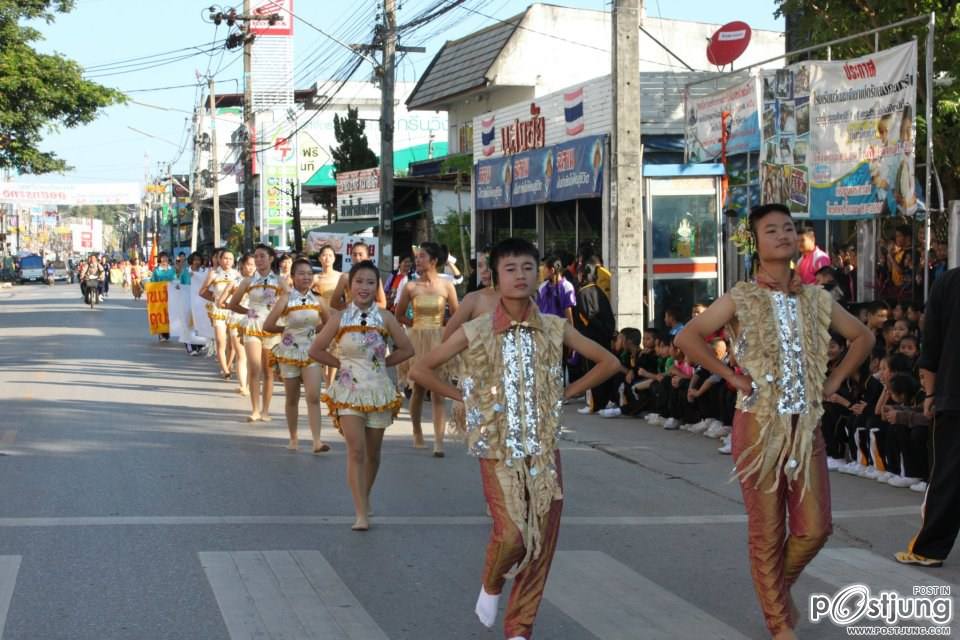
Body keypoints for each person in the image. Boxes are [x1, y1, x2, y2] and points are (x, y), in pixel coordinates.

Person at [676, 203, 873, 640]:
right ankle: (780, 624)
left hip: (807, 428)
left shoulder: (818, 298)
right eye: (771, 230)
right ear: (756, 242)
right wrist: (728, 374)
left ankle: (775, 592)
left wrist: (834, 378)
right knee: (767, 531)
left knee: (815, 529)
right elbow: (688, 337)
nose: (783, 235)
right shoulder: (740, 297)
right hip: (758, 426)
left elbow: (863, 336)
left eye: (788, 228)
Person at [409, 238, 620, 640]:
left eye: (528, 268)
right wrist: (466, 397)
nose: (521, 276)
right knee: (513, 535)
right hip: (496, 448)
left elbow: (608, 361)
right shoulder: (477, 328)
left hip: (543, 450)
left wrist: (567, 393)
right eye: (511, 269)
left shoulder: (556, 327)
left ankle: (520, 630)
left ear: (539, 273)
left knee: (541, 543)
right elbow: (421, 370)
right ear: (495, 275)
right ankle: (491, 584)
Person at [308, 261, 414, 531]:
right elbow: (316, 350)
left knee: (373, 453)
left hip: (378, 391)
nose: (364, 287)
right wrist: (341, 365)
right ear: (349, 286)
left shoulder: (386, 317)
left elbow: (407, 349)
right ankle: (360, 512)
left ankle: (365, 497)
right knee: (356, 450)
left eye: (370, 282)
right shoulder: (340, 318)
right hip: (348, 392)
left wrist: (382, 364)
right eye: (359, 282)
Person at [896, 267, 960, 567]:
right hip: (952, 394)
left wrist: (931, 394)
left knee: (948, 475)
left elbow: (930, 344)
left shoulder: (948, 282)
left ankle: (930, 548)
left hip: (953, 394)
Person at [395, 242, 460, 455]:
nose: (417, 260)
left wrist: (446, 333)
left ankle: (438, 441)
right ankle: (417, 432)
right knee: (418, 390)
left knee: (438, 391)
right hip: (417, 340)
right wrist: (414, 326)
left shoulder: (446, 285)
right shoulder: (411, 286)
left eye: (422, 256)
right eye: (417, 256)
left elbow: (457, 314)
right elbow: (399, 314)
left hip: (439, 339)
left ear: (433, 261)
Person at [263, 258, 331, 453]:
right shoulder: (285, 299)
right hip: (289, 353)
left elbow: (329, 323)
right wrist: (286, 330)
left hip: (311, 352)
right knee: (292, 398)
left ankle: (317, 441)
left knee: (313, 396)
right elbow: (267, 325)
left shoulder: (318, 300)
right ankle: (293, 438)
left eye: (310, 273)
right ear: (292, 277)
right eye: (301, 273)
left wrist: (314, 331)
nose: (306, 277)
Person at [228, 244, 281, 422]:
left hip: (272, 326)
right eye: (256, 257)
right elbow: (233, 304)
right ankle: (255, 410)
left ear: (271, 258)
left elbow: (289, 303)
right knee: (254, 367)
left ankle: (266, 410)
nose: (258, 260)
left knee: (268, 371)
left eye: (262, 256)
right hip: (252, 325)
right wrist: (248, 312)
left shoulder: (281, 281)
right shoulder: (248, 281)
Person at [199, 250, 243, 382]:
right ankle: (225, 369)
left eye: (230, 258)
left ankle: (228, 366)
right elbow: (202, 291)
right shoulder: (214, 273)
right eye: (225, 258)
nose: (227, 261)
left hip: (233, 311)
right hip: (219, 311)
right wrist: (216, 300)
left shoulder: (237, 274)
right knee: (221, 341)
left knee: (233, 343)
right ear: (219, 259)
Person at [330, 242, 387, 310]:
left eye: (360, 254)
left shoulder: (374, 277)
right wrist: (351, 309)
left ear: (368, 257)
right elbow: (334, 303)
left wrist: (364, 308)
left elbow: (383, 304)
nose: (357, 258)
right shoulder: (345, 277)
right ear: (351, 256)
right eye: (354, 254)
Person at [535, 256, 576, 324]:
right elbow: (538, 310)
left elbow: (569, 316)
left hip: (560, 331)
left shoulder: (566, 287)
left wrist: (571, 333)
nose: (543, 271)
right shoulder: (542, 287)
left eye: (545, 268)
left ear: (552, 270)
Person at [151, 252, 177, 341]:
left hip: (170, 295)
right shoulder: (156, 270)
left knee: (169, 314)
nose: (164, 259)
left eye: (166, 257)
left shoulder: (171, 270)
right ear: (160, 259)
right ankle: (161, 333)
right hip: (159, 296)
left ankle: (167, 332)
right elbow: (152, 282)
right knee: (161, 315)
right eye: (162, 257)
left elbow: (175, 279)